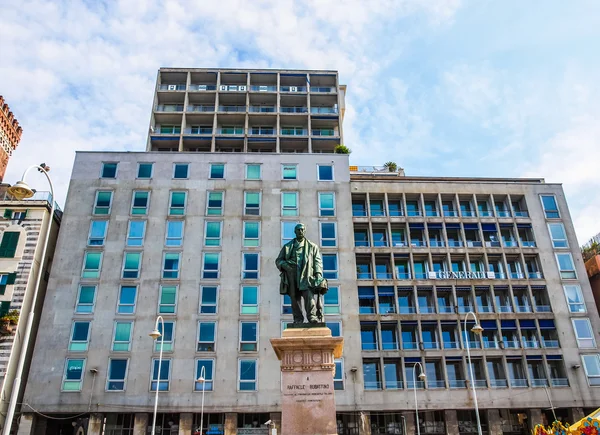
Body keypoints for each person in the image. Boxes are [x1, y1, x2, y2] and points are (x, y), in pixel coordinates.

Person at [276, 223, 326, 323]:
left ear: (305, 231)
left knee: (309, 295)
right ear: (295, 232)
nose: (300, 231)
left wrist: (318, 274)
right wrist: (285, 265)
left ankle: (312, 317)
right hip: (292, 274)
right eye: (298, 230)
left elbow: (317, 261)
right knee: (294, 298)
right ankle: (298, 318)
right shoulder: (287, 247)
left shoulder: (312, 246)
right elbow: (279, 260)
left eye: (302, 229)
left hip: (307, 274)